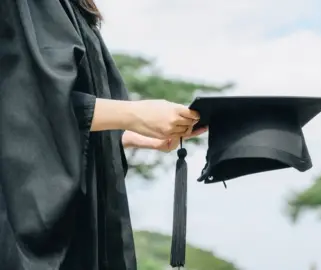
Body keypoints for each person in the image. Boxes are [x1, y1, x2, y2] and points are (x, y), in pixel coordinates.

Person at [0, 0, 207, 269]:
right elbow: (26, 106)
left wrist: (127, 135)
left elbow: (62, 119)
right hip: (31, 239)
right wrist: (134, 114)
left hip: (89, 226)